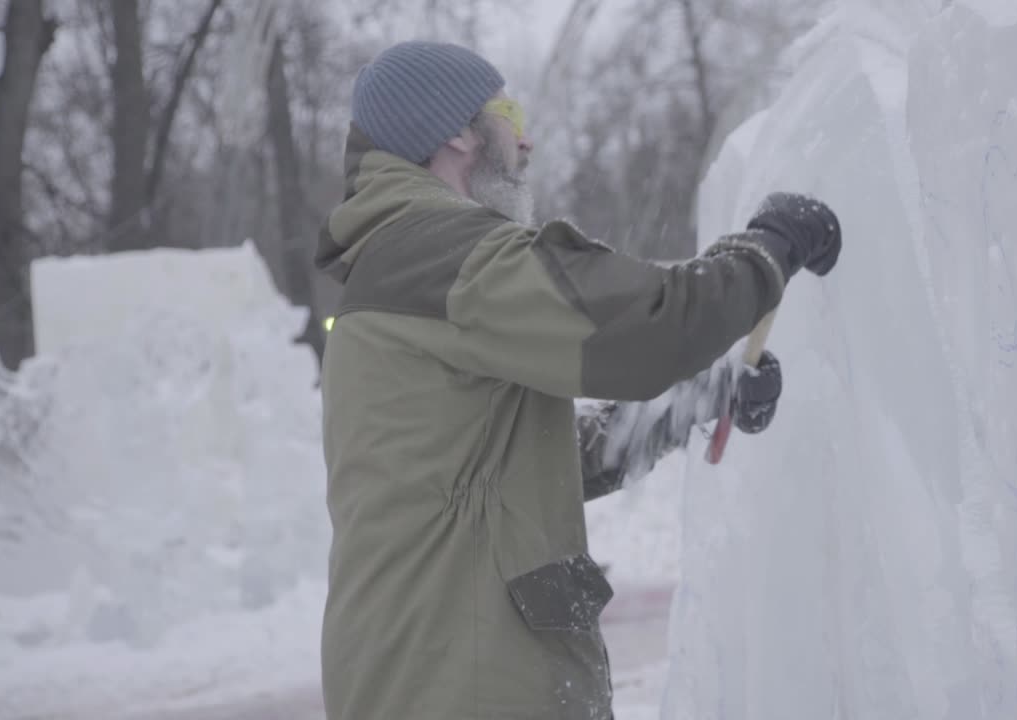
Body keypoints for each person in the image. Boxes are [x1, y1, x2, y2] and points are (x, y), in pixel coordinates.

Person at [315, 40, 841, 720]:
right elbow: (651, 326)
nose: (525, 140)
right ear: (455, 131)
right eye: (508, 114)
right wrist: (768, 250)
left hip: (436, 673)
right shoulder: (441, 255)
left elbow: (535, 462)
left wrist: (698, 399)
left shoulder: (400, 269)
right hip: (460, 687)